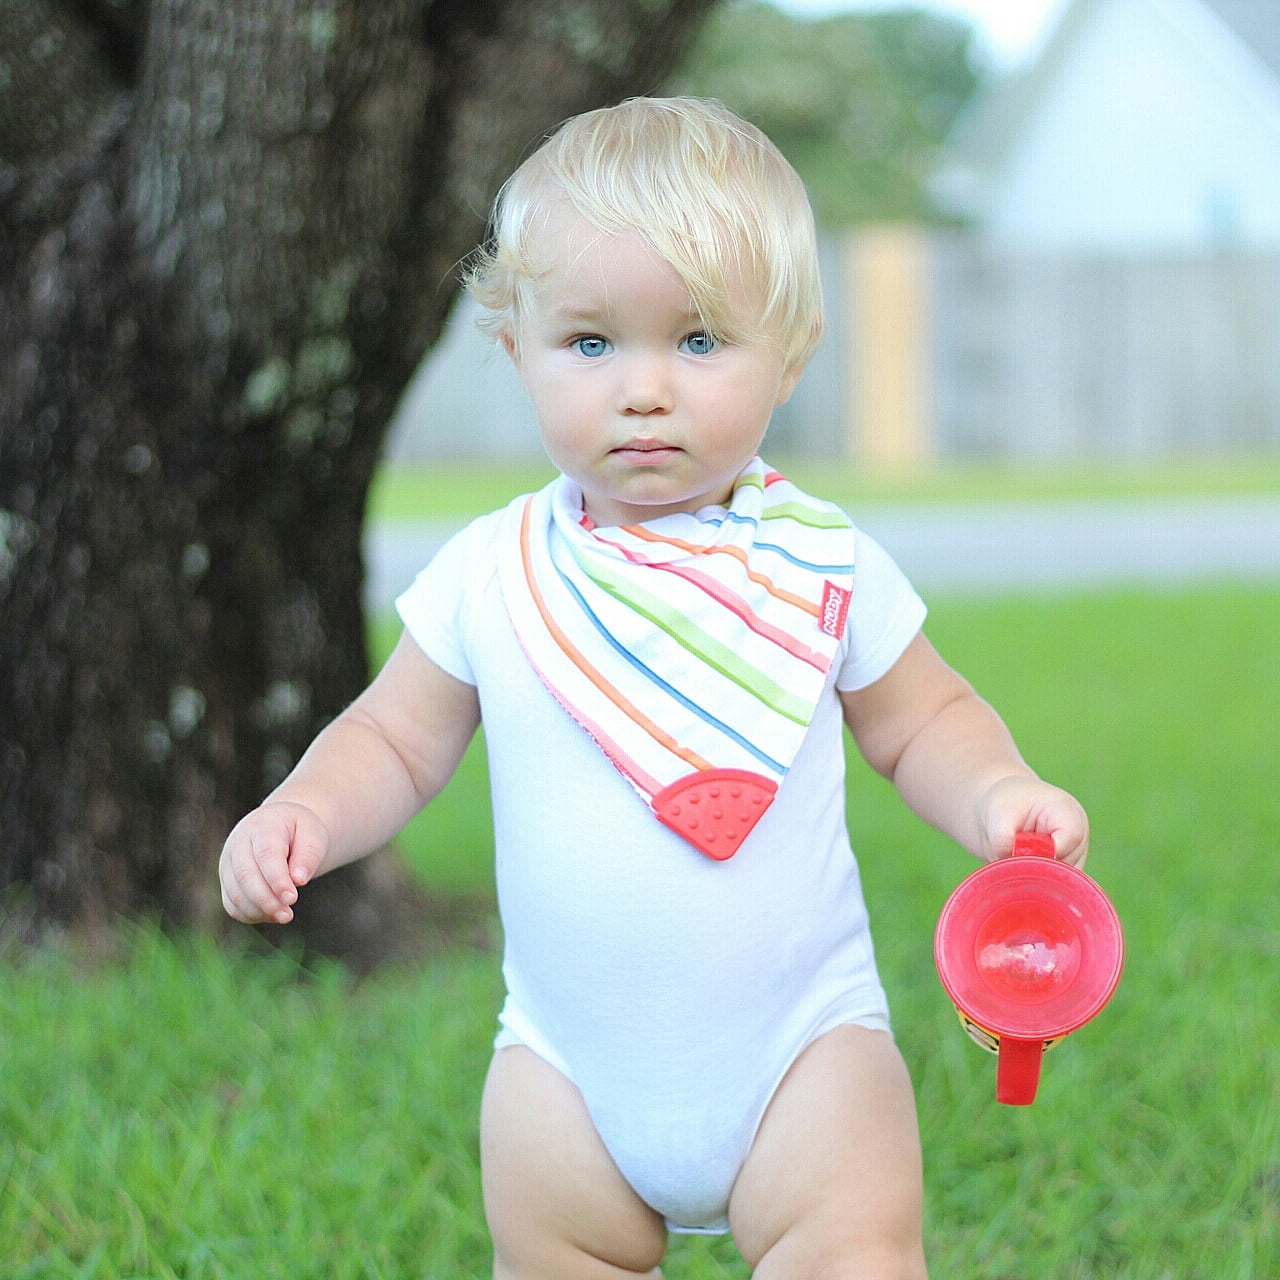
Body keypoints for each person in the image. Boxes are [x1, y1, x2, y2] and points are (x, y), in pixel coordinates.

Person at [220, 97, 1088, 1279]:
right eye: (589, 342)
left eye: (695, 342)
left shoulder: (818, 564)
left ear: (787, 353)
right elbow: (393, 735)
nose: (642, 389)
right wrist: (306, 812)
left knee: (855, 1250)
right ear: (514, 343)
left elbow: (920, 718)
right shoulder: (493, 569)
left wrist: (995, 791)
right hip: (565, 1070)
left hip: (800, 1050)